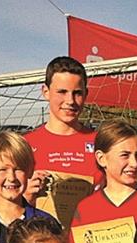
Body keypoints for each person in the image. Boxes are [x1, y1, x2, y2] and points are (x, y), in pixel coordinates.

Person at [24, 56, 103, 204]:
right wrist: (24, 197)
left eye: (77, 93)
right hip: (40, 226)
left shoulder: (101, 143)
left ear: (86, 93)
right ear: (45, 92)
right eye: (62, 92)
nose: (70, 101)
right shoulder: (25, 145)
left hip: (90, 227)